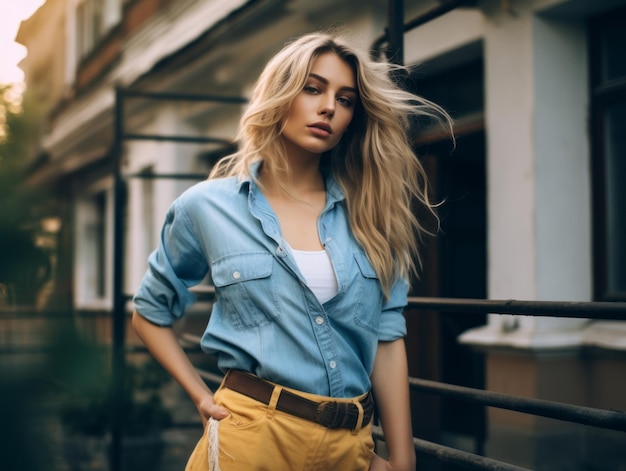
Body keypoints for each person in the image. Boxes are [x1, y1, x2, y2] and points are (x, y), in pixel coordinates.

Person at [132, 31, 451, 471]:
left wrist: (403, 456)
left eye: (346, 99)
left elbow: (388, 337)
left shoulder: (372, 215)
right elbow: (149, 312)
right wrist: (200, 396)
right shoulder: (206, 207)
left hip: (350, 446)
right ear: (281, 93)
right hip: (253, 439)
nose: (328, 108)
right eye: (313, 88)